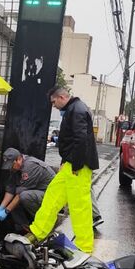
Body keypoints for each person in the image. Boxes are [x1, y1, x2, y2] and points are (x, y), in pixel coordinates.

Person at [27, 87, 99, 253]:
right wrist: (66, 162)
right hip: (71, 165)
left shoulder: (77, 110)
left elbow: (81, 140)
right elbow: (73, 140)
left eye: (54, 102)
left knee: (79, 206)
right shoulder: (74, 109)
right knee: (52, 196)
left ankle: (84, 247)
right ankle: (38, 232)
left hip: (78, 166)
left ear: (61, 97)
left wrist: (76, 165)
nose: (54, 106)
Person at [0, 148, 55, 229]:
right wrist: (1, 207)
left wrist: (6, 211)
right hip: (37, 192)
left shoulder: (30, 166)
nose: (10, 168)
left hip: (50, 194)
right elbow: (10, 190)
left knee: (24, 196)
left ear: (19, 159)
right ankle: (24, 227)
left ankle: (44, 222)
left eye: (11, 165)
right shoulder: (15, 168)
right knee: (14, 201)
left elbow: (20, 194)